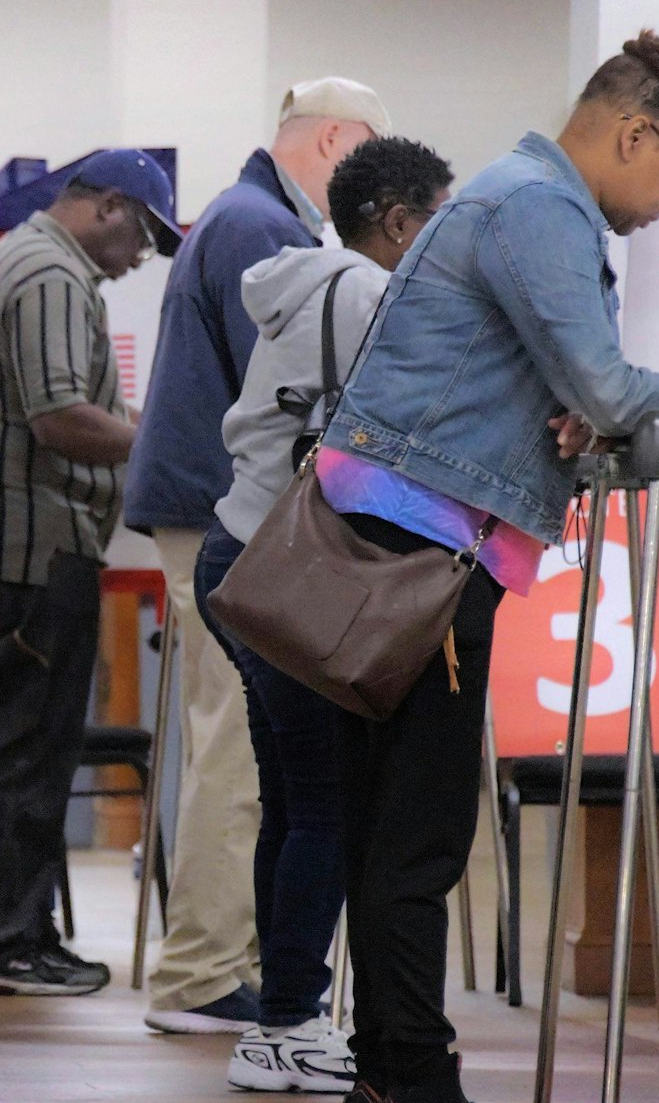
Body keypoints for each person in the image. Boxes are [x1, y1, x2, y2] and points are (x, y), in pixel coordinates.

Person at [314, 31, 659, 1102]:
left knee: (386, 827)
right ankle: (411, 1073)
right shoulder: (540, 208)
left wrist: (563, 412)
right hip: (422, 549)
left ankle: (388, 1063)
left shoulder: (507, 194)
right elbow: (603, 385)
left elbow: (544, 387)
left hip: (393, 535)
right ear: (634, 131)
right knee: (419, 833)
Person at [127, 76, 390, 1035]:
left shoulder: (242, 218)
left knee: (238, 750)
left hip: (204, 516)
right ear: (329, 141)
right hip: (227, 520)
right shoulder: (259, 229)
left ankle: (217, 960)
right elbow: (296, 397)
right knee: (238, 755)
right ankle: (201, 973)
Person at [200, 137, 453, 1093]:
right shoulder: (361, 292)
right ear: (396, 221)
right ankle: (287, 1021)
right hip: (294, 564)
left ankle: (281, 1015)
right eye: (436, 217)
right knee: (326, 805)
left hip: (243, 553)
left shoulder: (302, 281)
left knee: (295, 798)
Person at [0, 149, 179, 996]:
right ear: (108, 207)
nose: (143, 253)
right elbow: (59, 418)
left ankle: (18, 933)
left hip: (7, 541)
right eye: (144, 232)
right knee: (25, 747)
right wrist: (167, 446)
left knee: (25, 743)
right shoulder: (48, 273)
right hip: (26, 545)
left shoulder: (24, 259)